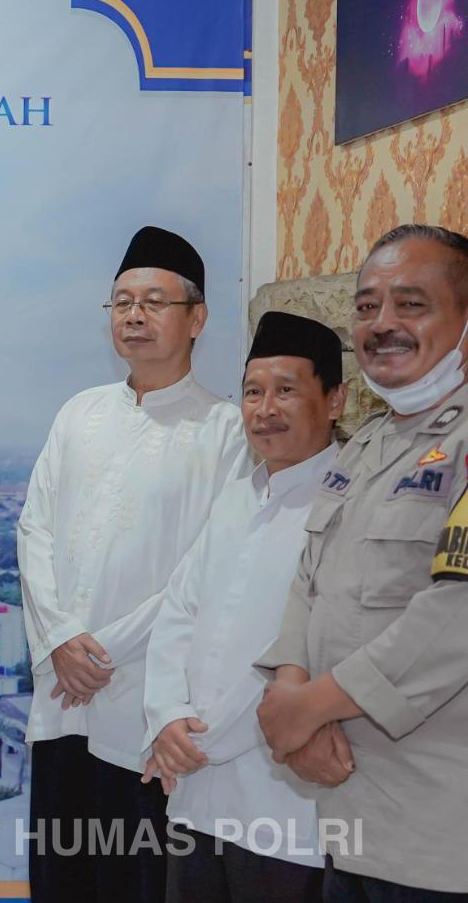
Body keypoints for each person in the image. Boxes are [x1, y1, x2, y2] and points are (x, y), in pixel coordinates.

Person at [18, 226, 249, 902]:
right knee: (60, 876)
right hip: (63, 695)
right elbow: (33, 529)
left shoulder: (227, 431)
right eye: (121, 302)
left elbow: (206, 569)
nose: (134, 315)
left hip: (147, 704)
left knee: (137, 879)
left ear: (196, 317)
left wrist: (102, 653)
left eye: (153, 302)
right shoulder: (78, 413)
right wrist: (61, 640)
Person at [257, 224, 468, 900]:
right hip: (349, 823)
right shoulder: (369, 442)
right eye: (368, 306)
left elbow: (454, 617)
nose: (382, 324)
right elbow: (309, 580)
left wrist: (310, 707)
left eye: (411, 304)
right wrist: (290, 695)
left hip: (440, 837)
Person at [141, 311, 345, 903]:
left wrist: (197, 742)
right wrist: (166, 716)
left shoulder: (347, 502)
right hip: (195, 793)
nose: (265, 409)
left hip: (281, 800)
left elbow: (301, 648)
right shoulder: (236, 497)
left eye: (286, 391)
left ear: (334, 400)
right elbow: (178, 614)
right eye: (253, 393)